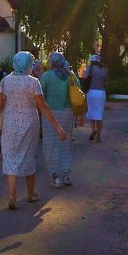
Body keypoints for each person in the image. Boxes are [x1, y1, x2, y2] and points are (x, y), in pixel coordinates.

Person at [0, 51, 68, 208]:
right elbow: (42, 106)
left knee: (10, 158)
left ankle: (12, 196)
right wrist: (58, 128)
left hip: (10, 124)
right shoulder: (33, 82)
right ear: (28, 64)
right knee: (28, 156)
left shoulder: (5, 81)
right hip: (29, 124)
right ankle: (30, 194)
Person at [38, 53, 78, 187]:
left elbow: (40, 95)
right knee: (66, 143)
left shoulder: (46, 76)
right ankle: (66, 174)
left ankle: (55, 175)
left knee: (50, 143)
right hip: (67, 113)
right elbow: (77, 93)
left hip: (50, 114)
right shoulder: (70, 76)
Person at [81, 54, 109, 142]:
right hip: (101, 93)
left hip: (91, 92)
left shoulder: (90, 67)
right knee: (99, 115)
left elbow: (84, 76)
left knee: (91, 112)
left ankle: (93, 130)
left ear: (92, 61)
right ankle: (98, 137)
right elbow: (107, 83)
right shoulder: (105, 69)